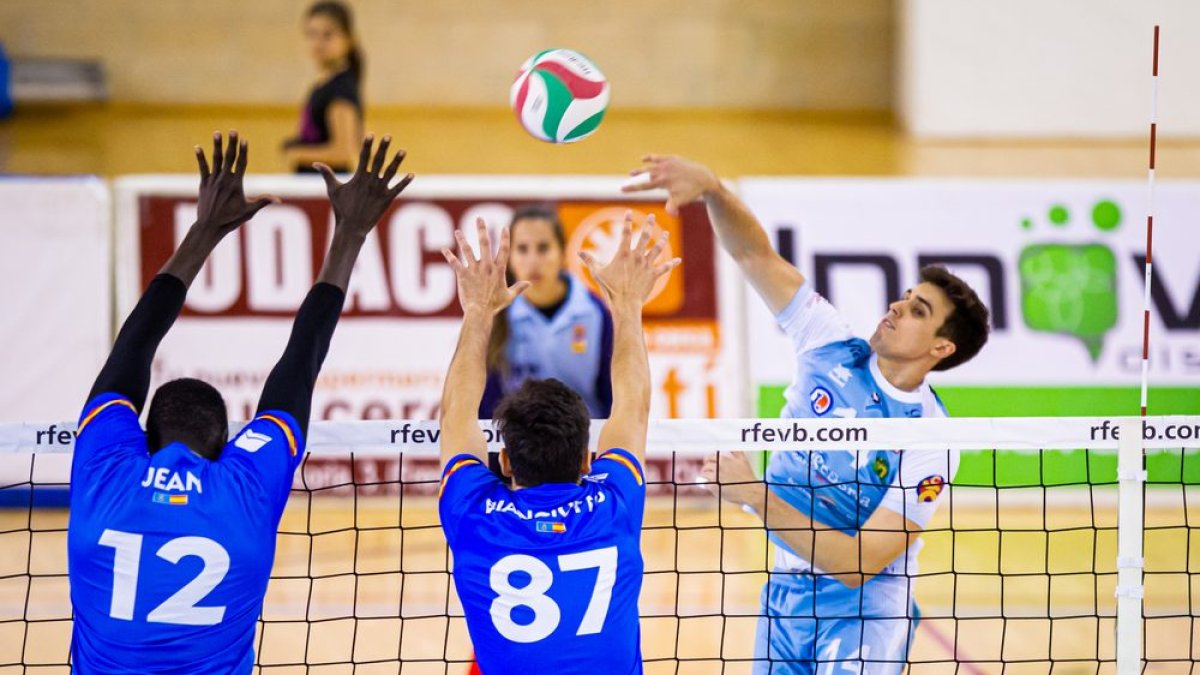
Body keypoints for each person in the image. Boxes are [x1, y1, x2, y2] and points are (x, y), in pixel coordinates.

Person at [625, 155, 990, 675]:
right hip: (785, 595)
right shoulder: (828, 344)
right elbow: (753, 255)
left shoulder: (931, 438)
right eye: (905, 297)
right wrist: (713, 189)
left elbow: (858, 565)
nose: (896, 307)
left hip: (866, 610)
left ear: (941, 349)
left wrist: (753, 495)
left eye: (917, 312)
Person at [67, 132, 412, 673]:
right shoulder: (238, 487)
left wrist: (204, 231)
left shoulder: (106, 471)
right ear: (225, 445)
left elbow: (133, 344)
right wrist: (351, 231)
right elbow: (303, 361)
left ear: (144, 438)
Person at [437, 214, 678, 674]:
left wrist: (477, 312)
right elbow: (634, 404)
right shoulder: (615, 506)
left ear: (503, 459)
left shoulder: (473, 516)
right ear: (589, 459)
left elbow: (454, 414)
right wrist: (628, 303)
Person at [480, 204, 614, 418]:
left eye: (543, 248)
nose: (533, 261)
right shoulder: (496, 315)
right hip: (519, 446)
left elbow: (612, 396)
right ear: (509, 256)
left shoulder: (596, 314)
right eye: (522, 249)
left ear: (562, 252)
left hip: (585, 443)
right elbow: (486, 408)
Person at [283, 0, 365, 174]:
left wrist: (297, 153)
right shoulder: (325, 85)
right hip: (313, 185)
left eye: (327, 35)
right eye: (312, 34)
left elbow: (344, 152)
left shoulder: (341, 89)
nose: (318, 42)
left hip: (327, 190)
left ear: (348, 39)